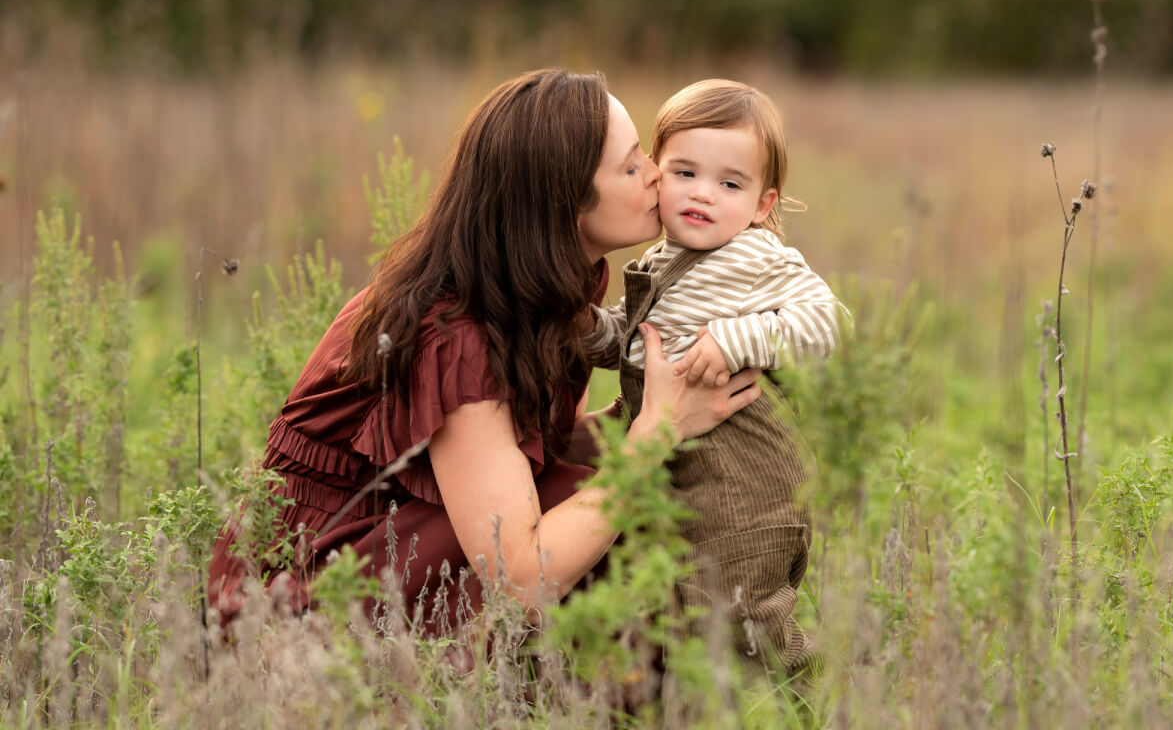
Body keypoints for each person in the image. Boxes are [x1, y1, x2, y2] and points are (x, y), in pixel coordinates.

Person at [207, 69, 764, 635]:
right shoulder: (457, 336)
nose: (656, 174)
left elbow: (523, 449)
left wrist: (647, 417)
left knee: (615, 489)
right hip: (299, 591)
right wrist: (652, 439)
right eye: (630, 166)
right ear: (560, 202)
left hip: (395, 537)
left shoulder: (544, 285)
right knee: (599, 504)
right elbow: (520, 579)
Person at [584, 79, 843, 676]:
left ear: (762, 205)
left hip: (747, 479)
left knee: (748, 624)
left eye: (729, 184)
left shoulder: (759, 257)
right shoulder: (657, 260)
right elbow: (630, 340)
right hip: (680, 468)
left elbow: (830, 325)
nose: (703, 194)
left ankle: (807, 710)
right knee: (682, 611)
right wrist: (579, 327)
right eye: (684, 173)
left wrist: (737, 339)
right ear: (655, 176)